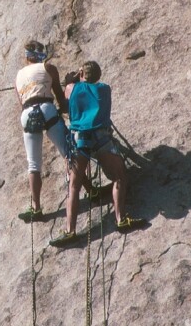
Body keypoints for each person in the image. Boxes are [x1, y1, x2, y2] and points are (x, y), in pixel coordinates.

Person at [50, 61, 146, 247]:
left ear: (81, 74)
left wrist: (71, 80)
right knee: (120, 177)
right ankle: (121, 218)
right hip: (102, 138)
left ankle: (70, 231)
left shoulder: (72, 88)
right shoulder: (105, 89)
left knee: (74, 186)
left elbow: (64, 105)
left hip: (79, 140)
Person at [14, 41, 98, 222]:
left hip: (27, 114)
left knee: (33, 163)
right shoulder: (49, 68)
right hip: (46, 109)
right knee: (69, 153)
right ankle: (91, 191)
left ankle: (36, 207)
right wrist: (70, 86)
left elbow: (22, 102)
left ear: (27, 57)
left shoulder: (19, 75)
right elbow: (61, 100)